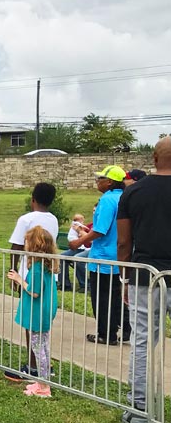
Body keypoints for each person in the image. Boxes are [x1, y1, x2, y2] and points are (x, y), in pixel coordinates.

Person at [117, 137, 171, 422]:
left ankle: (138, 409)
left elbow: (124, 243)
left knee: (141, 342)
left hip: (144, 276)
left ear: (154, 158)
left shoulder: (133, 192)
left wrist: (124, 279)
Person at [5, 182, 59, 381]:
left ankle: (33, 366)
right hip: (49, 275)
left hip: (30, 274)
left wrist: (13, 272)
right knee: (42, 322)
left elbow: (16, 247)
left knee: (31, 320)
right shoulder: (53, 219)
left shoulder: (26, 219)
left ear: (33, 199)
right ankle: (43, 363)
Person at [70, 165, 127, 345]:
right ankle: (124, 329)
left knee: (101, 299)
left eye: (100, 178)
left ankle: (105, 334)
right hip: (120, 258)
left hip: (103, 259)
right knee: (117, 297)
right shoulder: (124, 198)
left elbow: (101, 230)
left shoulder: (107, 200)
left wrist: (79, 241)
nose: (97, 181)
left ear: (109, 182)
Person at [6, 226, 59, 398]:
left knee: (38, 348)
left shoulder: (37, 267)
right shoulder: (47, 265)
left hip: (38, 313)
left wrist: (19, 280)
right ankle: (42, 382)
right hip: (45, 311)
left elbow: (35, 291)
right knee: (43, 346)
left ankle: (44, 387)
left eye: (27, 242)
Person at [61, 213, 91, 292]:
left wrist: (81, 232)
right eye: (93, 211)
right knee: (61, 257)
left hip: (88, 248)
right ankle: (65, 284)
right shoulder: (88, 225)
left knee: (78, 258)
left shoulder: (98, 226)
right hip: (78, 247)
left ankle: (84, 285)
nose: (94, 212)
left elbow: (90, 240)